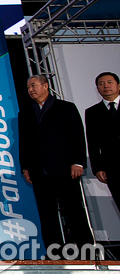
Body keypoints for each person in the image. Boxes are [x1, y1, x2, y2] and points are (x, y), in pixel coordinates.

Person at [19, 75, 94, 254]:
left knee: (74, 211)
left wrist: (78, 162)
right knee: (47, 214)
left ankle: (87, 251)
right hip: (39, 172)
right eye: (28, 86)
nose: (30, 89)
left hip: (65, 170)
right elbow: (24, 142)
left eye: (34, 85)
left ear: (46, 86)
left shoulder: (66, 108)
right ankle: (55, 254)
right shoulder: (26, 112)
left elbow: (77, 136)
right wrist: (25, 167)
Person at [85, 71, 120, 209]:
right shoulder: (92, 112)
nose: (106, 86)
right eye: (101, 84)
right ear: (97, 89)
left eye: (110, 82)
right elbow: (92, 141)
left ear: (118, 85)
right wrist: (97, 167)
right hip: (113, 167)